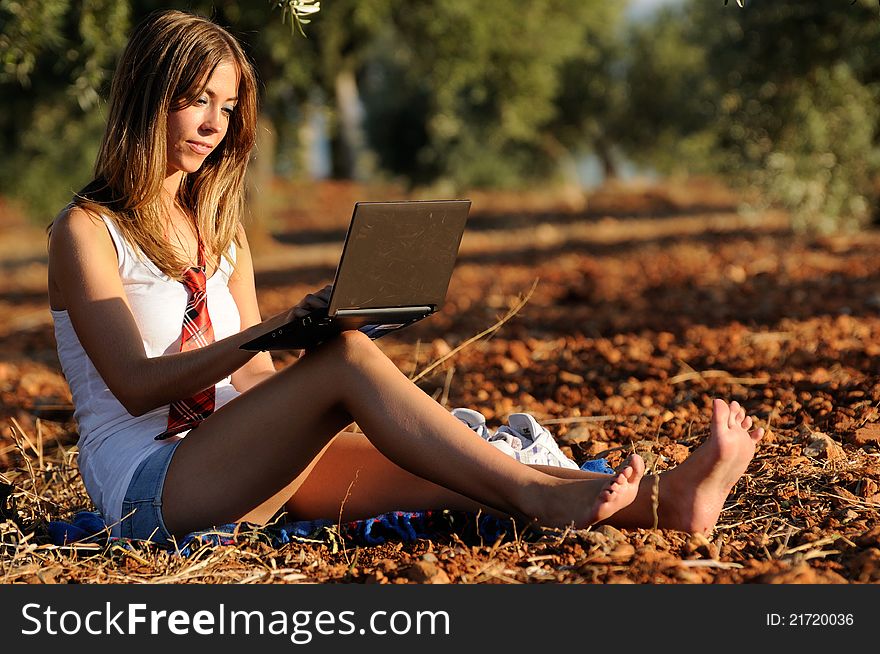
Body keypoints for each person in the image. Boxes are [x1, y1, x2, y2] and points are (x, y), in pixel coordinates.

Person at [47, 10, 764, 548]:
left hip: (237, 456)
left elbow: (256, 382)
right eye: (197, 99)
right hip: (150, 487)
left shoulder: (221, 232)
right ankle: (544, 501)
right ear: (147, 95)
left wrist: (328, 358)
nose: (215, 124)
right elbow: (137, 384)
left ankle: (670, 503)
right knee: (355, 366)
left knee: (452, 469)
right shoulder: (84, 231)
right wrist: (295, 338)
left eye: (228, 107)